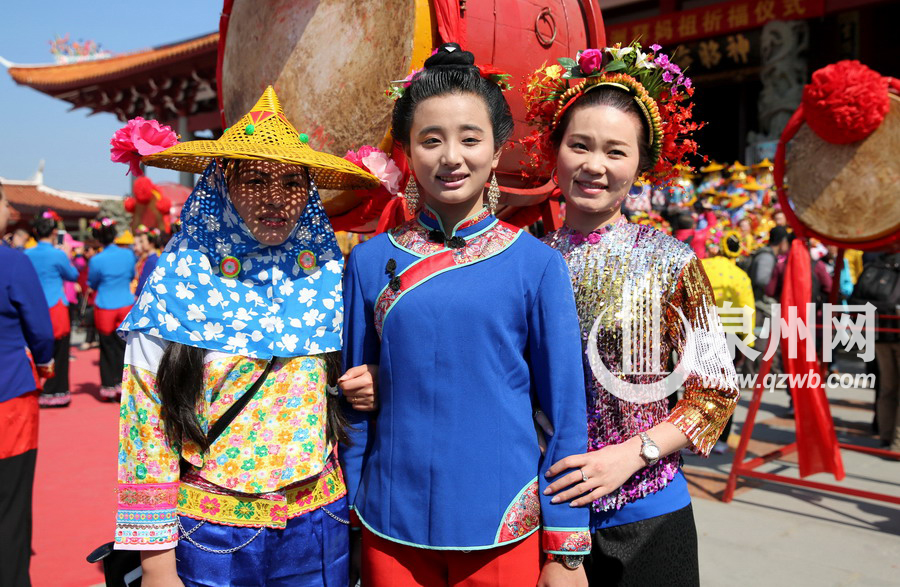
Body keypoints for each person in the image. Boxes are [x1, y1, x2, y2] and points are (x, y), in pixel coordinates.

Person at [339, 44, 591, 587]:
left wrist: (566, 549)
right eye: (431, 140)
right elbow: (354, 404)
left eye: (470, 138)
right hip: (388, 518)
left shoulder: (536, 265)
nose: (451, 156)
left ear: (497, 151)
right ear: (407, 151)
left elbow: (567, 412)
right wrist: (351, 517)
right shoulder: (366, 262)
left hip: (500, 520)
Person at [111, 87, 380, 587]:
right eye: (255, 180)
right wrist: (155, 565)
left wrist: (369, 383)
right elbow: (143, 431)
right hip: (209, 537)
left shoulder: (326, 282)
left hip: (320, 526)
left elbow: (345, 387)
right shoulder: (177, 288)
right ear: (221, 187)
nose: (276, 200)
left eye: (293, 183)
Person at [523, 42, 740, 586]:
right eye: (580, 145)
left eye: (616, 151)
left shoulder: (672, 262)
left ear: (641, 164)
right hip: (544, 515)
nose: (595, 165)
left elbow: (714, 394)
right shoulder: (522, 261)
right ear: (556, 152)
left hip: (650, 514)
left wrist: (632, 454)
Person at [0, 185, 55, 586]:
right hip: (8, 397)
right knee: (10, 503)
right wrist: (45, 360)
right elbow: (39, 328)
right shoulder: (12, 262)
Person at [702, 234, 756, 452]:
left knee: (700, 386)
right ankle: (722, 439)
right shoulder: (741, 276)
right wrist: (748, 343)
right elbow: (747, 310)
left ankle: (698, 436)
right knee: (725, 388)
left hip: (701, 332)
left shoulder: (701, 265)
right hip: (730, 336)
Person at [24, 210, 79, 407]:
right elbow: (72, 275)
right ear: (54, 232)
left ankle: (37, 388)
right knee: (61, 351)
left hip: (34, 307)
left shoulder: (27, 254)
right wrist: (67, 256)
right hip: (56, 306)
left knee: (34, 348)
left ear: (35, 231)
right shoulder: (58, 255)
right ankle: (57, 390)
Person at [87, 218, 136, 400]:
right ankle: (125, 385)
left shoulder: (96, 260)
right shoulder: (128, 255)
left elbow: (93, 282)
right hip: (125, 303)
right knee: (125, 347)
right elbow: (132, 275)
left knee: (107, 347)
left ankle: (109, 385)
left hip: (106, 305)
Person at [133, 226, 162, 295]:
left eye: (142, 241)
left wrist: (136, 294)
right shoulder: (153, 258)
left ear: (151, 243)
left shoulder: (151, 260)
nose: (142, 244)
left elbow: (144, 282)